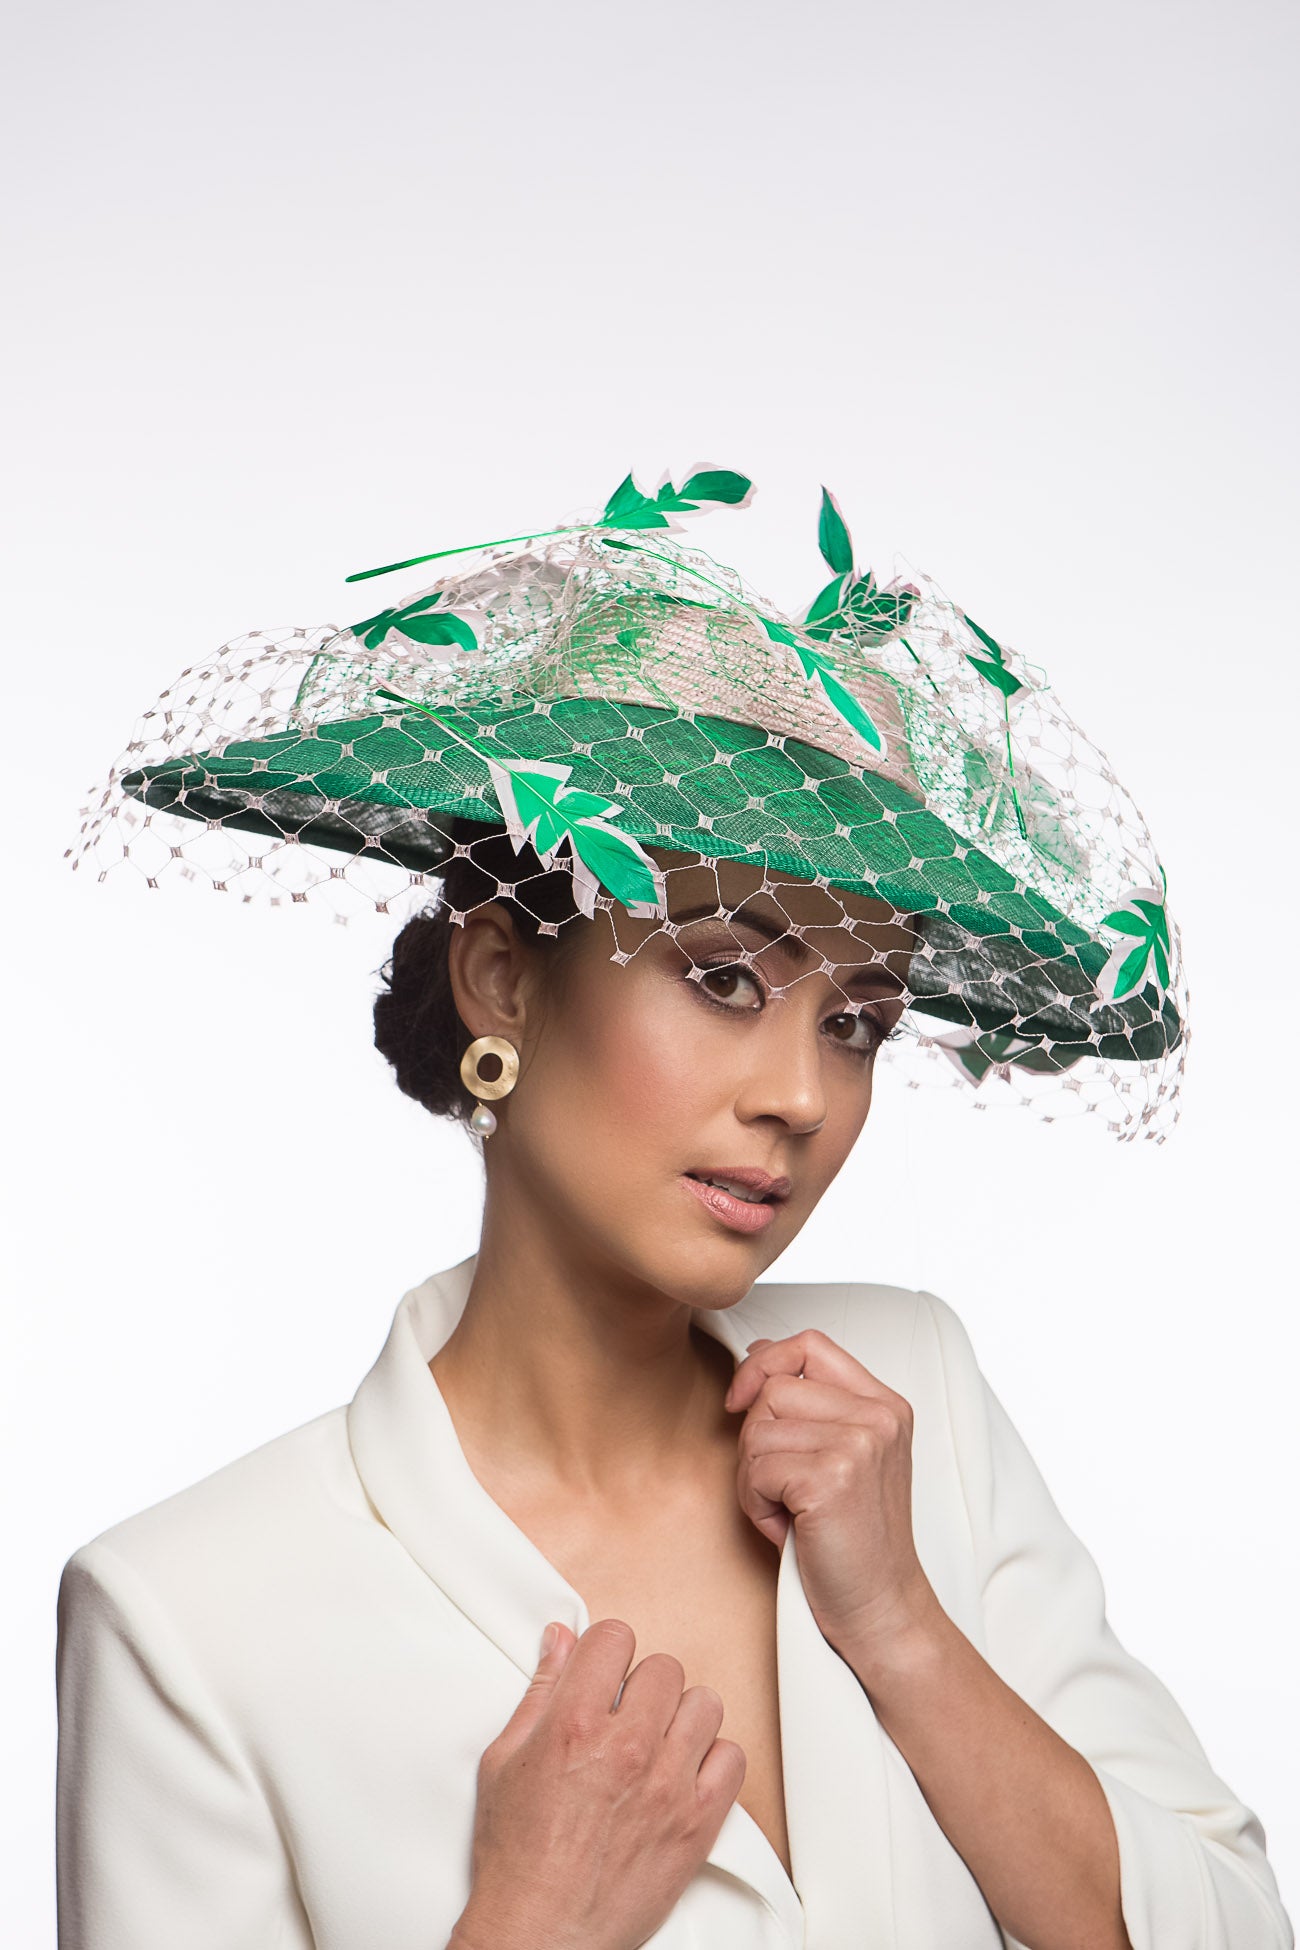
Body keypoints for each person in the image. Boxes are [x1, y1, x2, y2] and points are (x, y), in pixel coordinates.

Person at [57, 472, 1293, 1949]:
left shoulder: (912, 1402)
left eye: (858, 1022)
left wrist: (900, 1627)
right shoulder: (190, 1617)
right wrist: (532, 1921)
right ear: (504, 981)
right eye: (721, 976)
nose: (804, 1096)